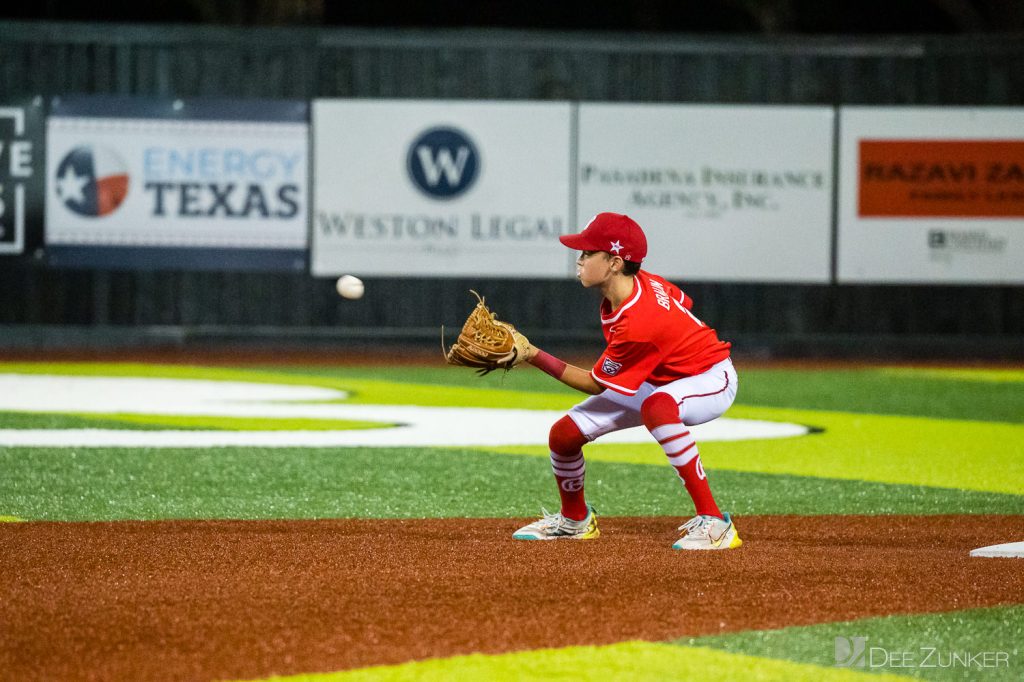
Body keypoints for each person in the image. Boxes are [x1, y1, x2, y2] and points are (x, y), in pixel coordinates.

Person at [513, 212, 741, 550]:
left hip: (710, 377)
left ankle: (715, 523)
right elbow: (683, 301)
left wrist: (533, 355)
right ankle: (576, 520)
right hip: (659, 379)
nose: (579, 260)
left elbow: (595, 383)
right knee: (564, 435)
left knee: (657, 407)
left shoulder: (638, 322)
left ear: (615, 262)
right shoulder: (635, 286)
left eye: (588, 253)